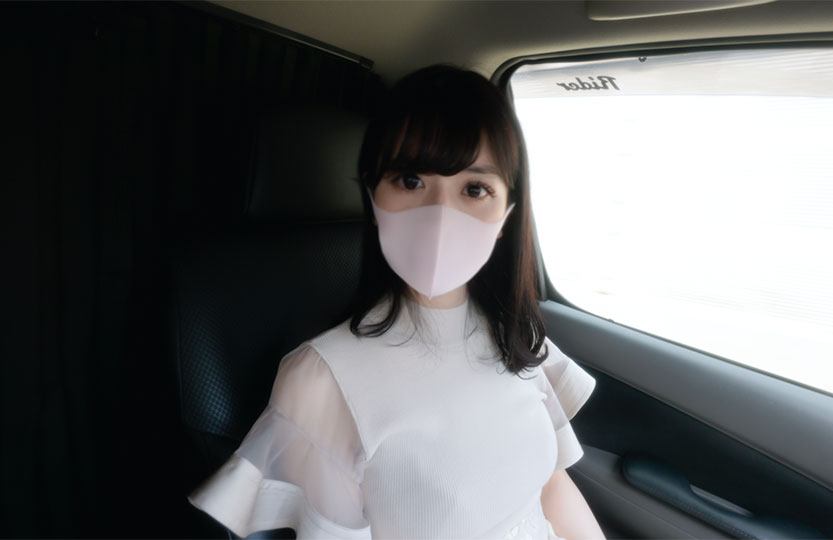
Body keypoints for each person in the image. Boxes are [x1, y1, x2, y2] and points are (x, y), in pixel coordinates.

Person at [187, 65, 605, 540]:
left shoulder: (517, 334)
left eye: (474, 189)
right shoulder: (323, 380)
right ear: (372, 196)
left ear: (507, 213)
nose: (440, 217)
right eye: (410, 180)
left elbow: (551, 484)